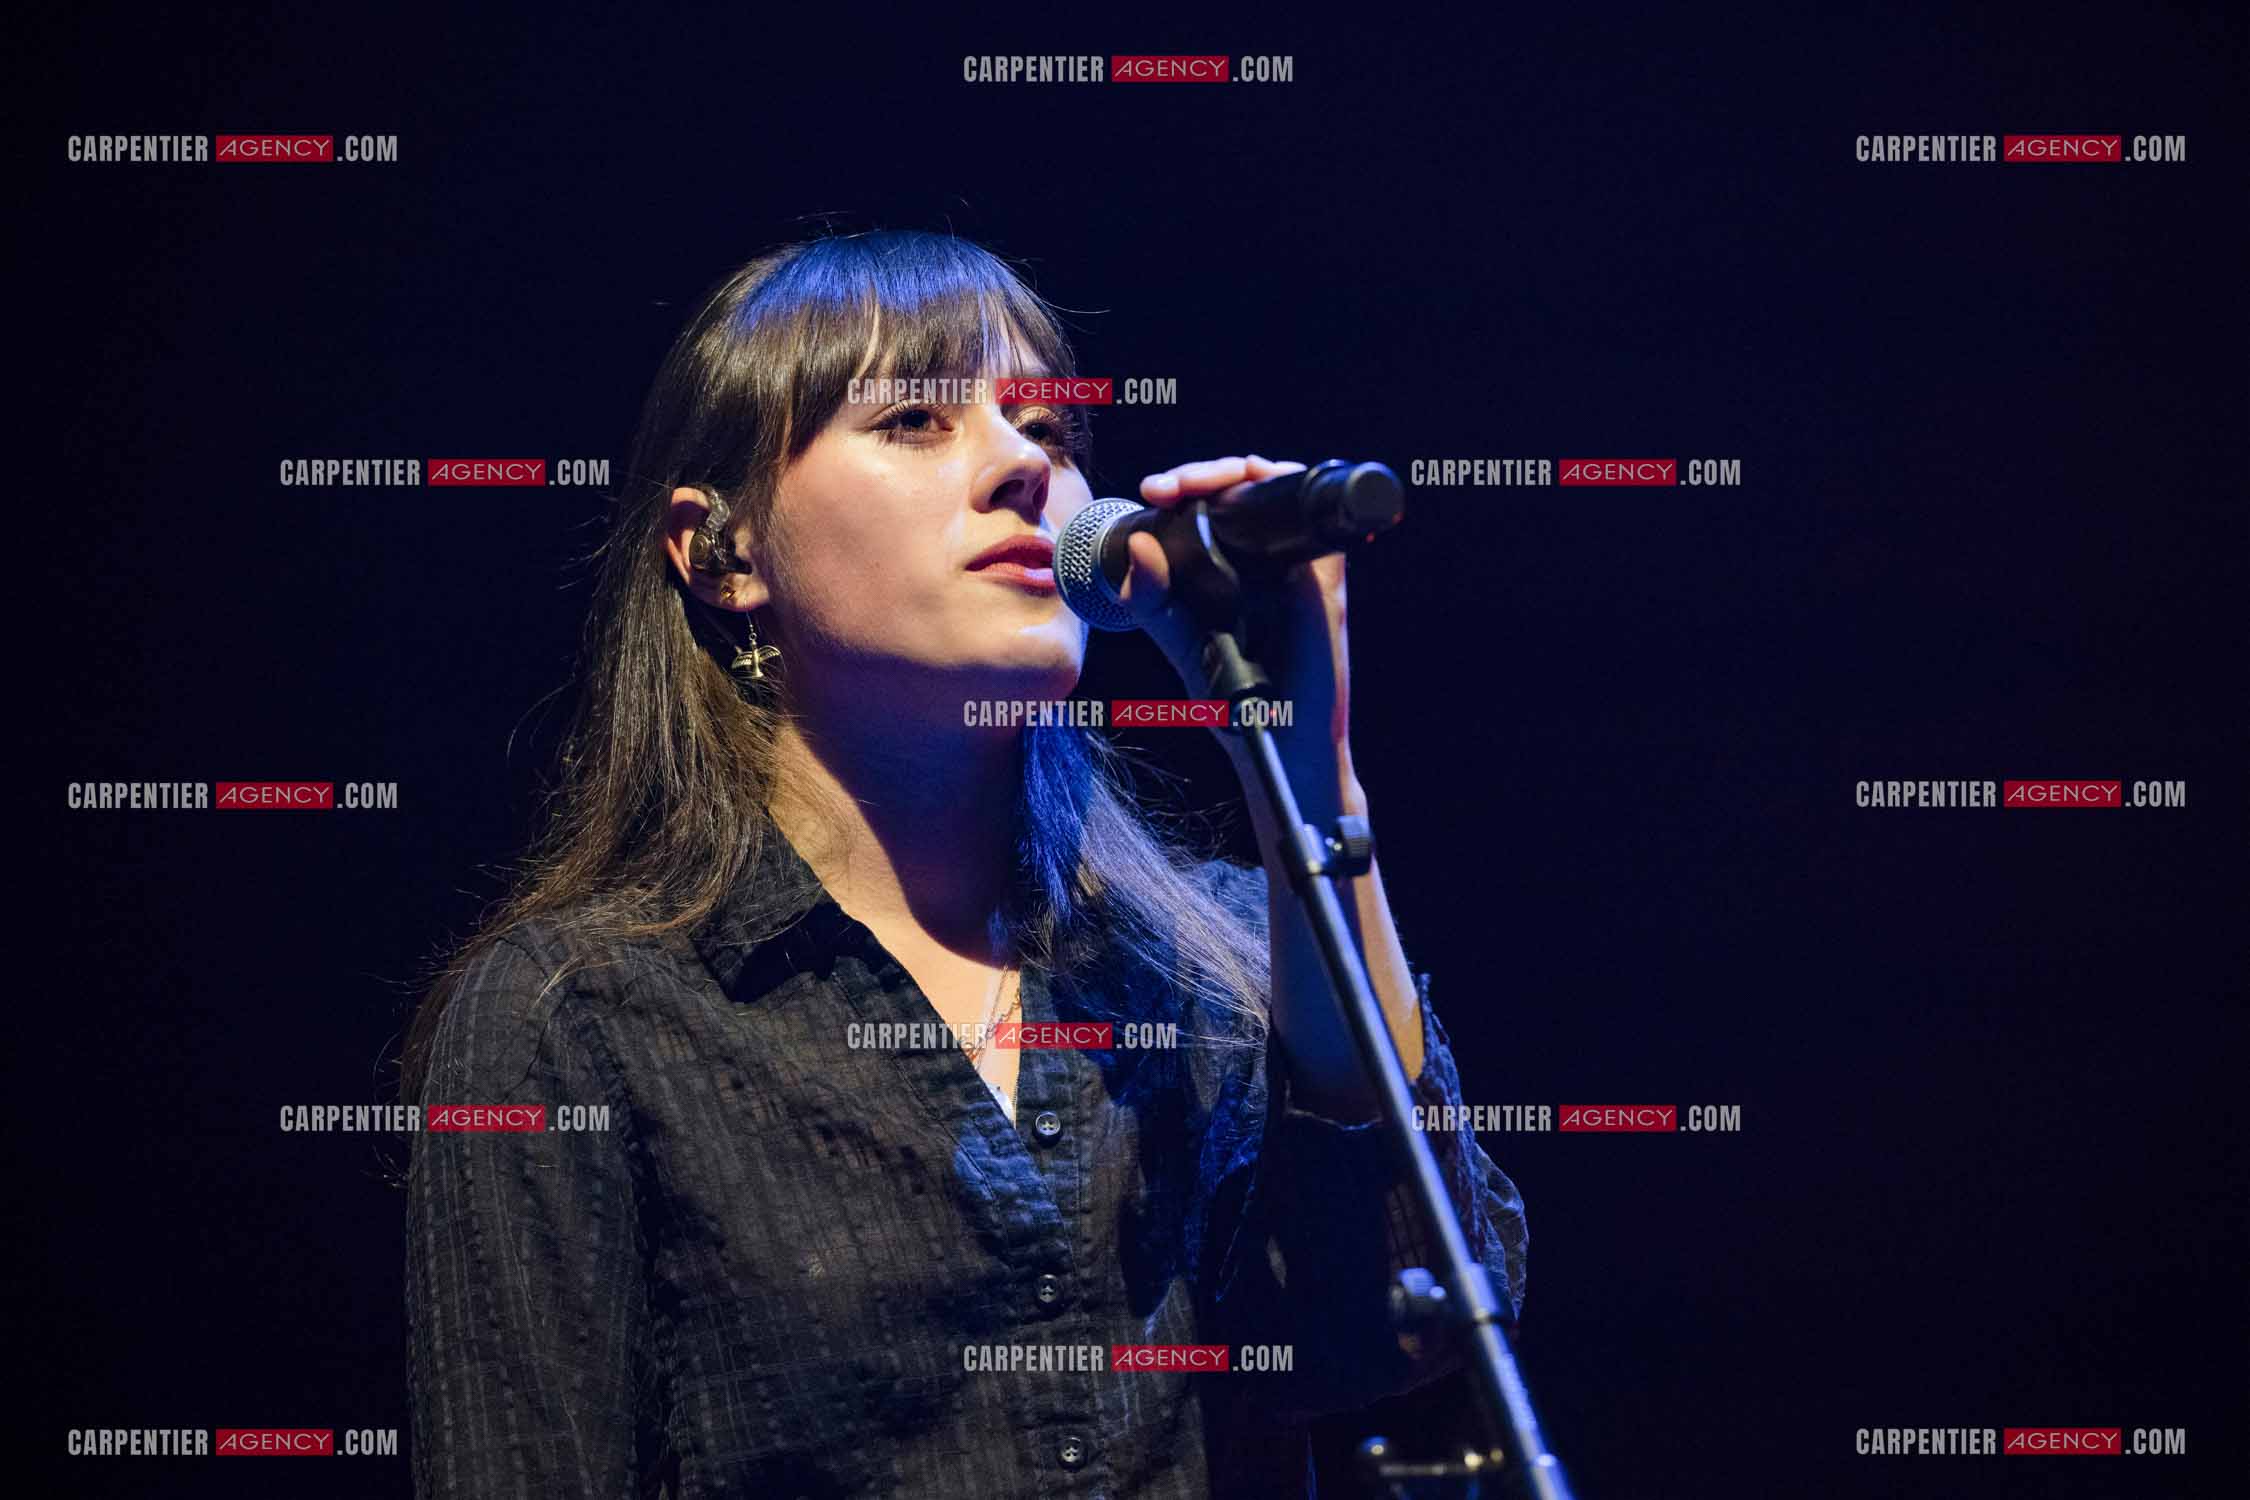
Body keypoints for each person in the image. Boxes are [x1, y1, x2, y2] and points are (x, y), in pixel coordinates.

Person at [401, 228, 1527, 1498]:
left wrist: (1307, 759)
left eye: (1048, 428)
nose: (1021, 469)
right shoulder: (576, 1016)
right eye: (916, 421)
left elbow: (1391, 1333)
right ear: (721, 552)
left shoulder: (1211, 965)